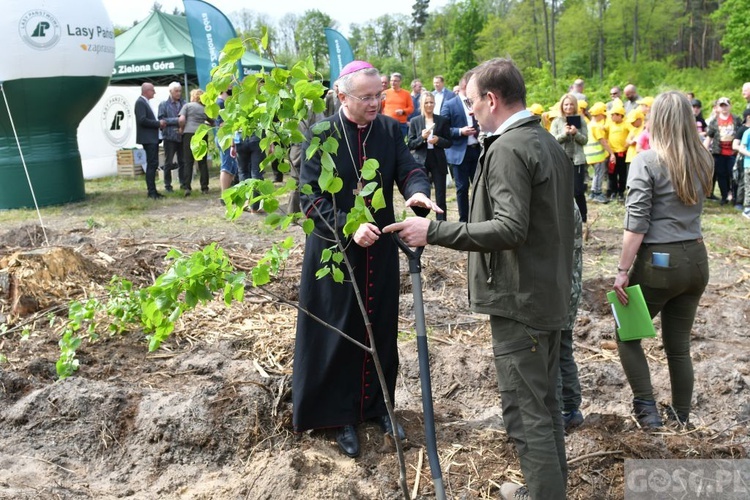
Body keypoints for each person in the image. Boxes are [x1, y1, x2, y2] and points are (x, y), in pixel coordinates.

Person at [384, 57, 574, 500]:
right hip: (545, 297)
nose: (468, 112)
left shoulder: (510, 147)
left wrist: (434, 231)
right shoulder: (545, 141)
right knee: (545, 409)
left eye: (471, 102)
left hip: (521, 301)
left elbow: (511, 228)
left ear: (491, 99)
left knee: (528, 416)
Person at [292, 60, 441, 459]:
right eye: (368, 97)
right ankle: (339, 417)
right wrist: (347, 226)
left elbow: (410, 169)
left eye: (379, 95)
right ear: (342, 96)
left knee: (379, 328)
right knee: (340, 332)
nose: (377, 102)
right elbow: (309, 202)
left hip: (379, 247)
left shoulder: (391, 130)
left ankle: (379, 407)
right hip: (334, 251)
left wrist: (417, 192)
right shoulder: (320, 134)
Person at [613, 91, 713, 429]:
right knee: (679, 347)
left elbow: (636, 222)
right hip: (697, 259)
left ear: (657, 120)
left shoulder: (647, 160)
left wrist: (623, 270)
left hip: (659, 262)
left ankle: (646, 408)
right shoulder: (704, 157)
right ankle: (681, 415)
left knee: (627, 334)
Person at [408, 92, 452, 220]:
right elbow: (410, 144)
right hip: (421, 160)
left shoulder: (442, 121)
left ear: (435, 103)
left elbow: (449, 142)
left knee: (440, 194)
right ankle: (421, 221)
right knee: (422, 192)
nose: (429, 105)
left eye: (431, 102)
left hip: (438, 159)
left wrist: (438, 140)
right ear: (422, 104)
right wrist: (422, 138)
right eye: (426, 102)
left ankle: (441, 223)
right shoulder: (415, 121)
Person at [559, 203, 584, 431]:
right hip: (571, 285)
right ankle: (571, 408)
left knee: (555, 352)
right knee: (563, 350)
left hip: (560, 287)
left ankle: (565, 410)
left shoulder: (560, 202)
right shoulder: (568, 200)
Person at [444, 72, 480, 223]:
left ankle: (478, 218)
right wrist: (460, 131)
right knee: (462, 188)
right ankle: (464, 221)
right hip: (459, 153)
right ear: (465, 85)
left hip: (476, 149)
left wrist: (477, 130)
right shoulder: (449, 104)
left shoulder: (476, 102)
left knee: (479, 187)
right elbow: (443, 129)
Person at [551, 93, 589, 223]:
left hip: (577, 160)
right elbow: (553, 141)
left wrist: (576, 133)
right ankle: (564, 218)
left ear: (575, 106)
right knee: (562, 190)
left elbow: (584, 140)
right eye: (566, 104)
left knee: (578, 191)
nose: (568, 107)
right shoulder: (557, 121)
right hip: (561, 160)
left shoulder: (581, 121)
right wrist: (564, 134)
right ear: (562, 106)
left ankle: (583, 218)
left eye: (571, 104)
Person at [705, 97, 742, 205]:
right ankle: (724, 196)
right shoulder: (714, 121)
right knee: (721, 175)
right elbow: (709, 137)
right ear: (718, 107)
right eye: (721, 105)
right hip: (719, 152)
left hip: (733, 152)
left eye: (726, 105)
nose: (724, 107)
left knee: (733, 175)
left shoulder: (736, 119)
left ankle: (734, 197)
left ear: (730, 106)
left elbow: (741, 134)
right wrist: (703, 150)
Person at [134, 82, 166, 199]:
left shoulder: (144, 102)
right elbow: (142, 120)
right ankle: (151, 192)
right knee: (152, 164)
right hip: (148, 138)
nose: (154, 92)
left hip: (151, 138)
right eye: (153, 90)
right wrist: (158, 123)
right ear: (146, 91)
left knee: (153, 164)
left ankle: (153, 191)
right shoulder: (140, 102)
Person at [178, 89, 212, 195]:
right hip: (201, 134)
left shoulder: (187, 106)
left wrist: (181, 129)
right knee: (202, 162)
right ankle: (204, 187)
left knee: (188, 161)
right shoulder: (204, 108)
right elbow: (212, 121)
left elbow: (182, 119)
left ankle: (187, 187)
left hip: (189, 134)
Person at [157, 81, 186, 194]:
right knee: (168, 162)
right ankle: (167, 185)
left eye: (180, 91)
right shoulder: (163, 104)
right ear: (170, 92)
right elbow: (161, 120)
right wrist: (177, 121)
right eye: (176, 91)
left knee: (182, 161)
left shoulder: (184, 103)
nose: (178, 93)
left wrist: (182, 125)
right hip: (169, 137)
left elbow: (186, 118)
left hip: (182, 136)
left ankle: (183, 183)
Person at [585, 102, 614, 203]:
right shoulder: (596, 126)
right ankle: (597, 193)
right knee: (599, 174)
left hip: (590, 155)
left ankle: (593, 192)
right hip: (597, 155)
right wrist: (611, 153)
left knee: (597, 174)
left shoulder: (589, 125)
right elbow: (603, 142)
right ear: (600, 114)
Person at [217, 89, 238, 195]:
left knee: (231, 166)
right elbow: (221, 123)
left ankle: (228, 193)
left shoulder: (223, 102)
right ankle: (224, 195)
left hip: (226, 137)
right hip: (226, 137)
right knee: (226, 166)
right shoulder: (220, 103)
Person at [606, 103, 629, 201]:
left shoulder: (626, 124)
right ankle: (613, 191)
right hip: (612, 154)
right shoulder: (610, 125)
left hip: (622, 154)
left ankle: (621, 192)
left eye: (613, 115)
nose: (611, 117)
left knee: (622, 174)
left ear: (620, 115)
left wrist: (627, 144)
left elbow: (633, 132)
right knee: (612, 174)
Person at [382, 72, 413, 137]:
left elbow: (411, 108)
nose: (393, 83)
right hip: (388, 123)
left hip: (401, 124)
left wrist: (403, 111)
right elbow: (380, 107)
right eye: (391, 81)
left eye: (395, 81)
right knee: (388, 144)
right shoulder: (385, 93)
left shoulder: (406, 94)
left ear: (400, 82)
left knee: (399, 144)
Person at [732, 108, 750, 217]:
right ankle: (746, 207)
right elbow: (739, 147)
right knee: (746, 185)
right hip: (747, 163)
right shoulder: (745, 131)